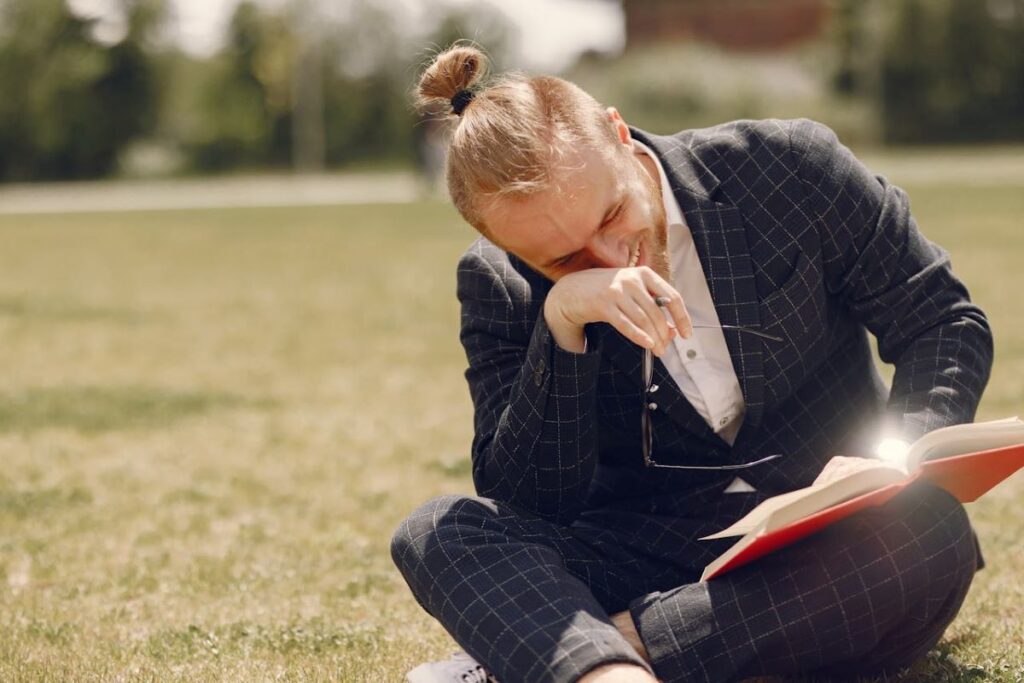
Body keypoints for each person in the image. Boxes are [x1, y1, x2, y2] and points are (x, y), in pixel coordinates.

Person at [391, 45, 993, 683]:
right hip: (642, 547)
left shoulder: (787, 169)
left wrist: (897, 460)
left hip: (829, 537)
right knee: (438, 532)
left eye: (611, 214)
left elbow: (940, 320)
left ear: (620, 137)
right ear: (503, 243)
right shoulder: (496, 282)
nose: (612, 256)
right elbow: (527, 501)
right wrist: (563, 323)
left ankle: (591, 652)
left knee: (932, 532)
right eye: (565, 260)